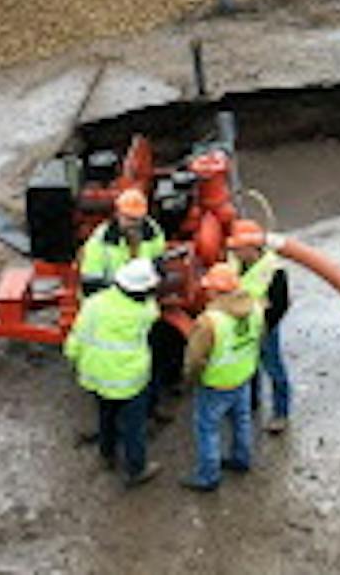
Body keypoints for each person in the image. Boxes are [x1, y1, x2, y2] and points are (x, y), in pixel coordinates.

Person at [65, 256, 163, 487]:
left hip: (96, 375)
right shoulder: (144, 313)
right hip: (128, 381)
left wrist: (73, 357)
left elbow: (77, 336)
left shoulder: (94, 303)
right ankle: (136, 469)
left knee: (106, 416)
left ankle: (107, 454)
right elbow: (154, 311)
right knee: (134, 427)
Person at [179, 263, 261, 491]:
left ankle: (208, 476)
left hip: (215, 383)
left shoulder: (209, 321)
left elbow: (195, 359)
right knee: (242, 420)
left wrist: (190, 380)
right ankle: (241, 459)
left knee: (207, 429)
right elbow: (258, 339)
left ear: (215, 291)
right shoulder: (255, 308)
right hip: (242, 376)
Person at [225, 218, 293, 434]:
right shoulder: (234, 261)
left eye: (238, 248)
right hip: (240, 325)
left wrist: (264, 326)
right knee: (247, 367)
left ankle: (281, 413)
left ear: (252, 247)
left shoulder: (274, 270)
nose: (234, 252)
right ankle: (251, 402)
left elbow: (280, 304)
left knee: (274, 368)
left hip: (264, 327)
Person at [77, 189, 167, 293]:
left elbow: (159, 267)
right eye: (129, 218)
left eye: (138, 219)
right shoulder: (98, 243)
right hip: (108, 299)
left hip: (143, 296)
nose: (134, 224)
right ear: (118, 215)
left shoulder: (154, 233)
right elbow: (90, 285)